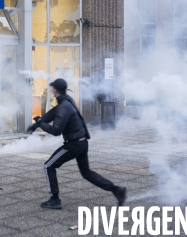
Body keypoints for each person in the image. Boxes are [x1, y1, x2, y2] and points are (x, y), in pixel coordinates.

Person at [27, 78, 126, 209]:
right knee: (86, 173)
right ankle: (116, 190)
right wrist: (36, 125)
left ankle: (55, 199)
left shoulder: (64, 106)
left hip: (73, 145)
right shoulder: (66, 101)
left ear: (55, 90)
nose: (51, 90)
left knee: (48, 166)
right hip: (82, 142)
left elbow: (56, 130)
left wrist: (40, 123)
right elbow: (53, 113)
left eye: (52, 88)